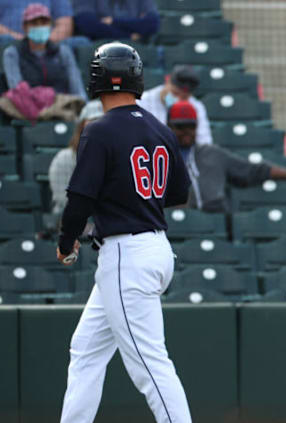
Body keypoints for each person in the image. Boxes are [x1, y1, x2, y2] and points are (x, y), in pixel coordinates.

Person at [55, 42, 192, 422]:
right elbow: (179, 193)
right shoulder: (159, 128)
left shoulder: (98, 130)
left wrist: (66, 242)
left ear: (95, 80)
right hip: (153, 247)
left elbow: (79, 198)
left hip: (126, 255)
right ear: (137, 79)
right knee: (85, 349)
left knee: (150, 366)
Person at [166, 100, 286, 213]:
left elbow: (256, 171)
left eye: (191, 125)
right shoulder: (161, 156)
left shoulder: (212, 154)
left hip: (214, 225)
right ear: (169, 125)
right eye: (180, 126)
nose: (186, 130)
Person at [2, 3, 87, 99]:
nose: (39, 27)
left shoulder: (63, 52)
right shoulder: (12, 54)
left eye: (43, 23)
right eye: (34, 23)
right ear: (25, 27)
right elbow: (18, 93)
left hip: (63, 107)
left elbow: (78, 91)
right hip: (30, 109)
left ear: (50, 25)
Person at [49, 99, 103, 215]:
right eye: (93, 120)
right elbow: (64, 202)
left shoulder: (117, 156)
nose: (99, 125)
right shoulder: (65, 158)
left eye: (103, 120)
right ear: (82, 125)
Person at [138, 65, 212, 145]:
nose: (178, 99)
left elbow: (204, 142)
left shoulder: (196, 107)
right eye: (175, 93)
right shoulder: (143, 100)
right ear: (167, 81)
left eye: (184, 97)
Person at [72, 0, 159, 42]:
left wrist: (113, 22)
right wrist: (129, 36)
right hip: (98, 48)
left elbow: (152, 23)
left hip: (135, 51)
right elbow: (88, 25)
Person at [0, 0, 74, 44]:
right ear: (24, 26)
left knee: (80, 42)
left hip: (48, 45)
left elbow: (65, 25)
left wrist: (43, 43)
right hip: (8, 43)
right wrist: (23, 41)